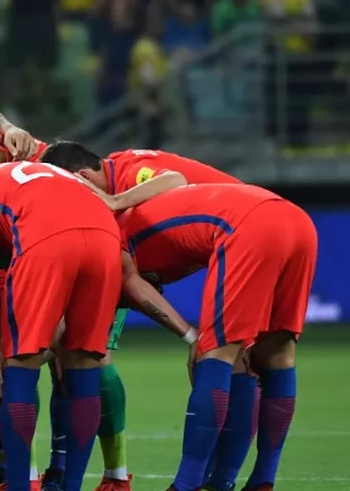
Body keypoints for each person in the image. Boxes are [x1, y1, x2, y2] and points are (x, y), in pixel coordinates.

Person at [42, 140, 244, 491]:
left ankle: (126, 476)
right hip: (226, 237)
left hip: (240, 234)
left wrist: (114, 200)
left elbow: (174, 180)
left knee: (236, 361)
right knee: (86, 353)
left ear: (83, 177)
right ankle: (105, 475)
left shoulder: (130, 169)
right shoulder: (113, 204)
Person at [115, 184, 317, 491]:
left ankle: (188, 484)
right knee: (277, 353)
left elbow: (133, 285)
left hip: (248, 226)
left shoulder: (110, 230)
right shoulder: (158, 197)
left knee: (215, 354)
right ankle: (260, 479)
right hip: (297, 221)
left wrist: (193, 337)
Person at [0, 151, 123, 491]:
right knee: (83, 366)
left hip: (46, 240)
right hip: (106, 238)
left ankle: (19, 485)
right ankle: (71, 485)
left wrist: (2, 340)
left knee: (20, 367)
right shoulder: (38, 174)